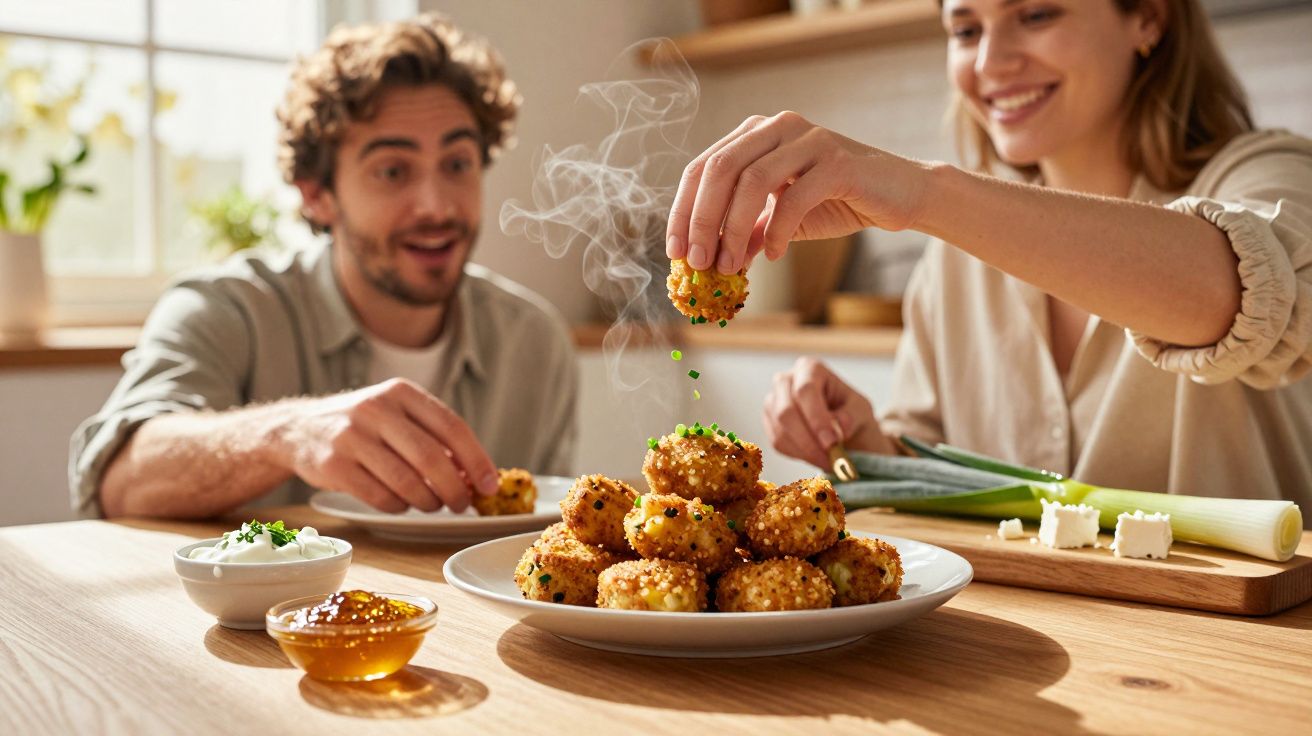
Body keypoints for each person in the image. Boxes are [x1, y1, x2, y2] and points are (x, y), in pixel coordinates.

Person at [665, 0, 1312, 510]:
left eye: (1036, 14)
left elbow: (1237, 294)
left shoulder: (1272, 175)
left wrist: (926, 190)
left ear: (1148, 15)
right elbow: (944, 485)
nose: (992, 63)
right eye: (966, 29)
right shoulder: (956, 256)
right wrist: (857, 443)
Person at [70, 14, 578, 519]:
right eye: (393, 171)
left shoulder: (535, 342)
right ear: (316, 195)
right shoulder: (224, 311)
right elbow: (117, 484)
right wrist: (286, 435)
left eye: (457, 163)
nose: (436, 207)